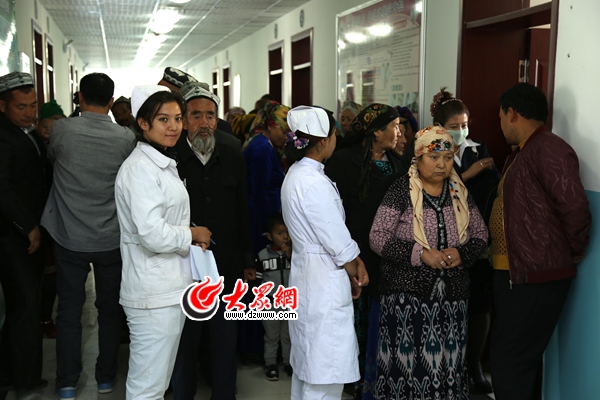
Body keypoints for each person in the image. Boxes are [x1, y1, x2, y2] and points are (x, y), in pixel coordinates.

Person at [370, 125, 489, 399]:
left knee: (448, 368)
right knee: (407, 369)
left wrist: (462, 253)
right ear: (418, 157)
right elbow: (378, 237)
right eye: (434, 157)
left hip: (452, 302)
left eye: (447, 158)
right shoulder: (401, 189)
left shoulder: (458, 191)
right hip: (406, 303)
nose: (441, 165)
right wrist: (420, 253)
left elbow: (480, 234)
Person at [490, 83, 591, 400]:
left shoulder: (548, 148)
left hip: (535, 275)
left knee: (509, 364)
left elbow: (574, 207)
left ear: (512, 113)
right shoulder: (524, 152)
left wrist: (572, 250)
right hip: (516, 275)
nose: (500, 125)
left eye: (500, 117)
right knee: (517, 363)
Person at [40, 73, 135, 400]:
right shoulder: (125, 138)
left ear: (79, 97)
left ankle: (67, 383)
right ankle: (106, 378)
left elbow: (54, 160)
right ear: (111, 101)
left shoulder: (62, 130)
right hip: (111, 238)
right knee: (110, 310)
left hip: (69, 237)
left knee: (68, 311)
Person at [115, 86, 212, 400]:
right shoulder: (140, 169)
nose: (173, 127)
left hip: (166, 287)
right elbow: (152, 234)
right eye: (163, 119)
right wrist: (191, 235)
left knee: (156, 381)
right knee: (148, 386)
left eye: (178, 118)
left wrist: (187, 235)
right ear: (143, 123)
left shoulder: (161, 162)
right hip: (152, 293)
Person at [170, 81, 255, 400]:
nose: (204, 122)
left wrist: (247, 259)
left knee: (224, 339)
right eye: (196, 115)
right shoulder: (171, 158)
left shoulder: (232, 155)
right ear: (183, 120)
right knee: (186, 340)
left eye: (210, 115)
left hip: (225, 267)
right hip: (183, 267)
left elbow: (243, 211)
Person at [281, 105, 368, 400]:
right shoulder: (313, 182)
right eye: (334, 134)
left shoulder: (298, 174)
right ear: (323, 141)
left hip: (309, 276)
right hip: (321, 281)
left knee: (309, 369)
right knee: (324, 375)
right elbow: (336, 239)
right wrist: (356, 269)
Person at [326, 103, 405, 399]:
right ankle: (351, 376)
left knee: (377, 320)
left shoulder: (398, 164)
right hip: (352, 254)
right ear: (375, 132)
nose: (399, 133)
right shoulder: (343, 161)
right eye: (394, 127)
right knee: (352, 319)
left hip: (386, 256)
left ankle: (374, 377)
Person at [430, 87, 500, 393]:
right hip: (442, 240)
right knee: (446, 304)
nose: (461, 131)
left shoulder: (478, 149)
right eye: (454, 126)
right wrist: (468, 175)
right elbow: (432, 191)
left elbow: (492, 190)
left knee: (480, 306)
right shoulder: (430, 152)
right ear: (440, 127)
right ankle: (449, 368)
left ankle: (475, 366)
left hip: (476, 239)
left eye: (464, 124)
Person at [0, 71, 51, 400]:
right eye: (21, 107)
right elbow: (3, 189)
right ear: (2, 106)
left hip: (29, 234)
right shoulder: (3, 137)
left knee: (23, 307)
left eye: (33, 106)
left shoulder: (26, 132)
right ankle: (24, 382)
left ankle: (11, 375)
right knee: (26, 307)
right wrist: (27, 226)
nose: (30, 112)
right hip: (11, 237)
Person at [243, 100, 290, 254]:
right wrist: (267, 228)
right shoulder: (263, 149)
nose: (286, 137)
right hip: (261, 223)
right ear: (270, 126)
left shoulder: (263, 144)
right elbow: (259, 193)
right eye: (283, 131)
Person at [257, 212, 292, 381]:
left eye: (287, 232)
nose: (285, 237)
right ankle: (270, 364)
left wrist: (290, 255)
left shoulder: (295, 254)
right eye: (280, 233)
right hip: (269, 303)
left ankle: (288, 362)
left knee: (288, 335)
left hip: (289, 302)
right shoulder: (262, 256)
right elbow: (257, 280)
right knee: (271, 336)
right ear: (270, 236)